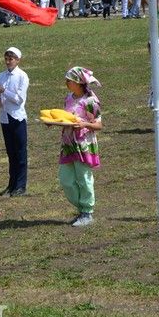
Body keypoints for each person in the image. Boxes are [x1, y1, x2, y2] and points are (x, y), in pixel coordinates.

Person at [55, 67, 103, 227]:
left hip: (83, 144)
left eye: (69, 80)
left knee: (84, 179)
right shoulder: (68, 98)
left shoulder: (90, 101)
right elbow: (65, 117)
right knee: (66, 180)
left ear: (78, 82)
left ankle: (87, 212)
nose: (66, 83)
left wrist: (84, 124)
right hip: (68, 144)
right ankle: (82, 208)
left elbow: (99, 125)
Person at [0, 47, 29, 197]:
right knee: (11, 152)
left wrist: (3, 92)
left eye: (11, 59)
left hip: (17, 117)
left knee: (20, 152)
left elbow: (19, 99)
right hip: (5, 118)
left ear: (18, 60)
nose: (8, 62)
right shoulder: (1, 76)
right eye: (6, 59)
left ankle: (20, 185)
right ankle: (11, 184)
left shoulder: (22, 76)